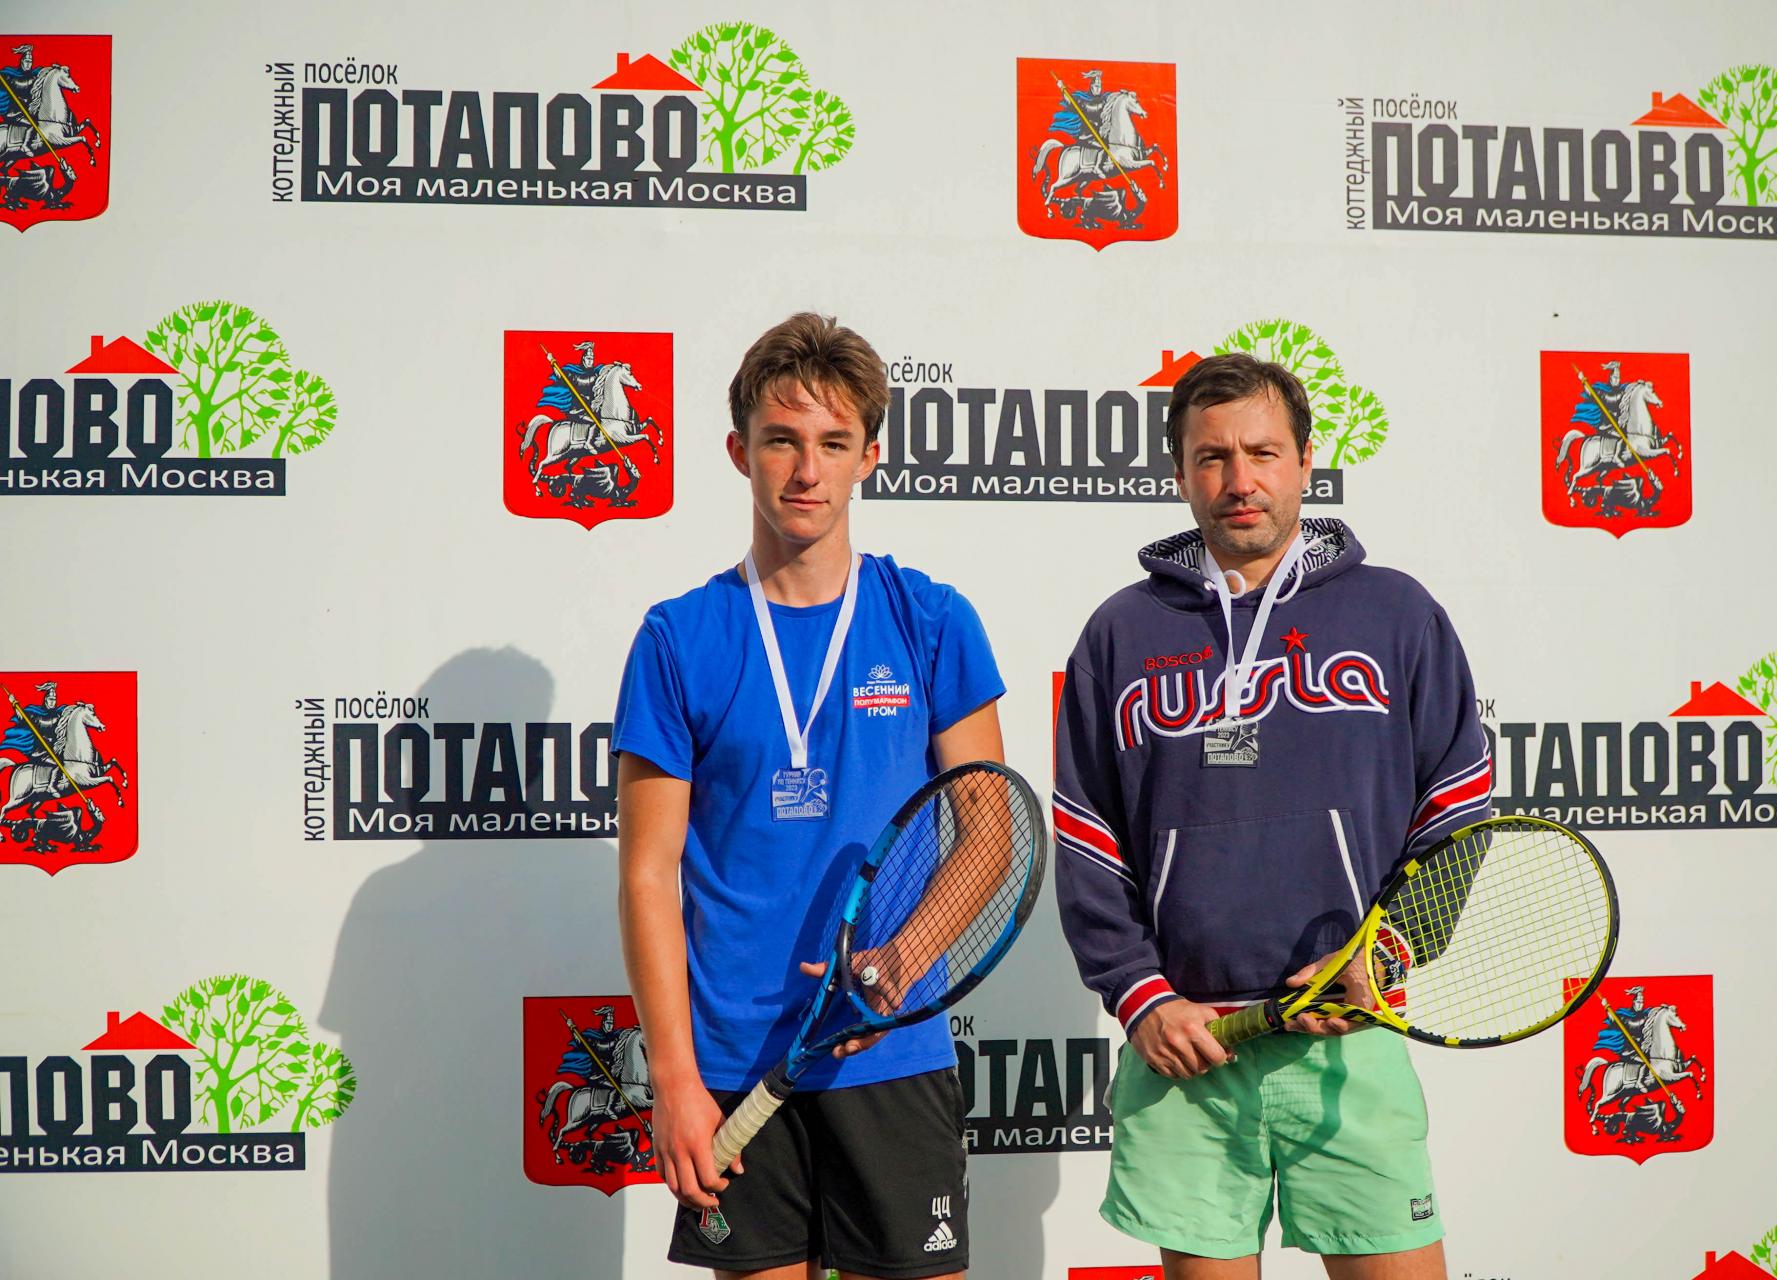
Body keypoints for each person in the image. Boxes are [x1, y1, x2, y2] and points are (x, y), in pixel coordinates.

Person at [1052, 352, 1492, 1279]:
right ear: (1180, 474)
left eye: (1262, 453)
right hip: (1191, 1050)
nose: (1239, 480)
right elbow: (1086, 834)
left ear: (1305, 462)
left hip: (1347, 1037)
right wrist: (1139, 996)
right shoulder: (1121, 632)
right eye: (1211, 457)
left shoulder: (1396, 612)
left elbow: (1457, 806)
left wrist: (1386, 953)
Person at [614, 312, 1005, 1280]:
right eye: (782, 440)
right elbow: (648, 874)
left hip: (891, 1056)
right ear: (738, 451)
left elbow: (990, 830)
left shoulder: (931, 619)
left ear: (869, 456)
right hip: (735, 1064)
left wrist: (903, 958)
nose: (805, 470)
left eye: (834, 443)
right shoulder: (678, 638)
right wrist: (675, 1081)